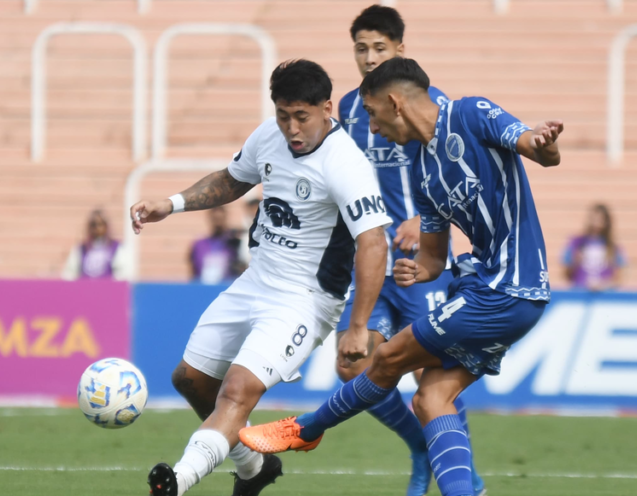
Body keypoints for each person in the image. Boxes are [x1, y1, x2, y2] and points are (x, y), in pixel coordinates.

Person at [240, 57, 564, 496]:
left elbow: (537, 148)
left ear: (394, 103)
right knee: (431, 399)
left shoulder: (469, 113)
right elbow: (433, 259)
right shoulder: (422, 172)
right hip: (487, 287)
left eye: (372, 114)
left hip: (507, 288)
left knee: (389, 358)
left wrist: (545, 144)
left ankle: (307, 428)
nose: (371, 128)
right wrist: (418, 269)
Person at [130, 59, 392, 496]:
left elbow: (374, 243)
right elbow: (233, 180)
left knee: (236, 390)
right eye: (283, 114)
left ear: (328, 108)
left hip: (305, 300)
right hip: (256, 280)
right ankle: (255, 467)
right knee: (189, 380)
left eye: (301, 117)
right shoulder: (268, 135)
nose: (291, 127)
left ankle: (178, 479)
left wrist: (359, 326)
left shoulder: (346, 163)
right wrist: (171, 204)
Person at [335, 5, 483, 496]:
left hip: (422, 257)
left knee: (430, 377)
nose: (370, 57)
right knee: (352, 364)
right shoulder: (349, 109)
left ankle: (462, 476)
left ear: (400, 49)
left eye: (380, 48)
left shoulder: (431, 101)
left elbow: (455, 169)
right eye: (362, 48)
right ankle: (420, 447)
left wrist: (424, 218)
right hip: (371, 254)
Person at [562, 204, 625, 291]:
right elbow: (566, 274)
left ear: (606, 222)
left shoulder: (612, 247)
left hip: (604, 295)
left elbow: (619, 278)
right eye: (594, 218)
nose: (596, 223)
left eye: (600, 219)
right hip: (580, 292)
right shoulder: (577, 243)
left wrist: (603, 285)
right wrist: (575, 262)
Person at [60, 209, 127, 280]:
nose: (97, 228)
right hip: (84, 289)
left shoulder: (116, 248)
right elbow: (69, 274)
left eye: (100, 224)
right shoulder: (81, 249)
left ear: (106, 226)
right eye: (93, 225)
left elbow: (121, 275)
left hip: (107, 289)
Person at [189, 206, 241, 284]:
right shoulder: (199, 245)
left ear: (225, 219)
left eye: (220, 219)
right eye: (215, 219)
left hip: (226, 288)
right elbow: (193, 271)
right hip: (204, 289)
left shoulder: (233, 244)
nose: (218, 223)